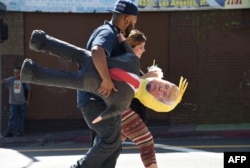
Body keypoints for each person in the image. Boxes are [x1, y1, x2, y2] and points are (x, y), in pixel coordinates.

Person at [120, 29, 159, 168]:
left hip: (124, 112)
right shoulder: (124, 62)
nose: (143, 50)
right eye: (140, 47)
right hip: (125, 111)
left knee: (109, 148)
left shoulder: (133, 64)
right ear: (131, 47)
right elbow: (126, 87)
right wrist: (145, 78)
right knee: (146, 141)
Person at [1, 67, 31, 137]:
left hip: (22, 102)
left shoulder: (24, 80)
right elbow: (3, 81)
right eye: (14, 72)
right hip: (13, 103)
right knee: (12, 117)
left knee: (21, 117)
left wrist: (27, 100)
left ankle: (19, 131)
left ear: (20, 73)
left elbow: (29, 90)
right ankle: (9, 132)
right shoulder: (11, 80)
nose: (15, 74)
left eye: (17, 72)